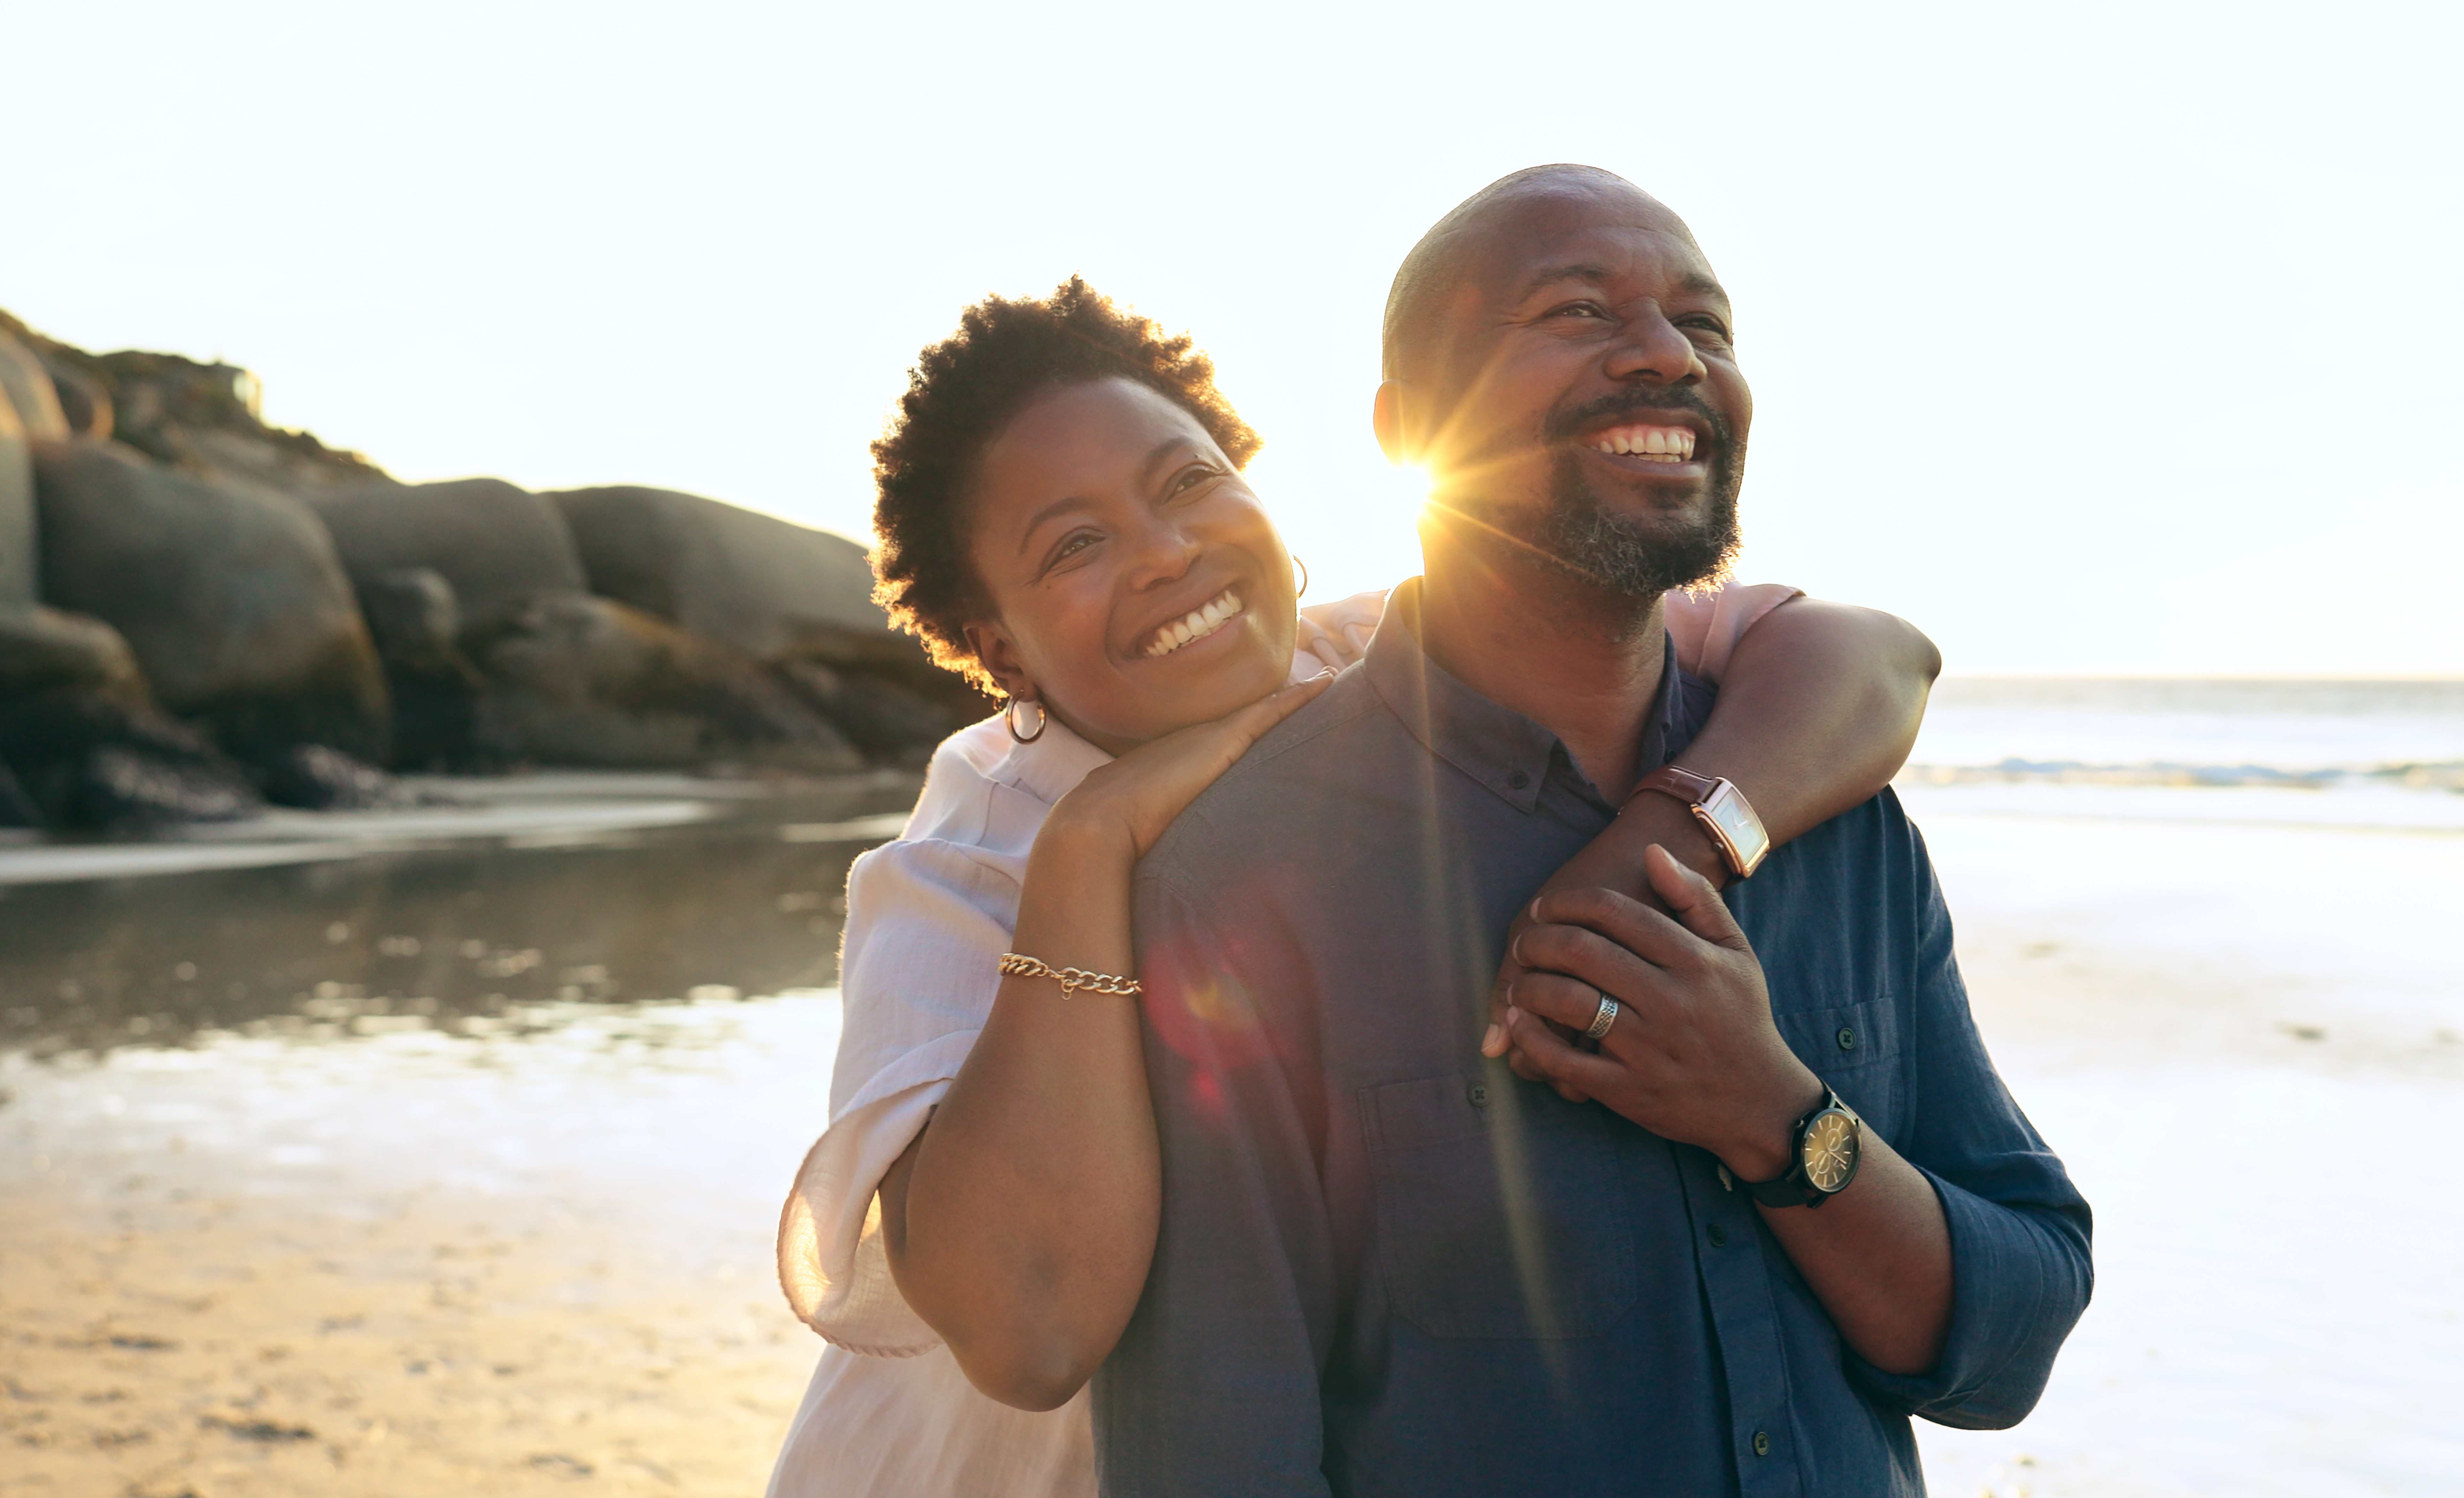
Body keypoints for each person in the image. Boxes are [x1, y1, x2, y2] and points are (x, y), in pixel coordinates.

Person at [764, 277, 1945, 1497]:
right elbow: (1032, 1332)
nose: (1166, 554)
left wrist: (1665, 840)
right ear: (999, 642)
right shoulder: (959, 873)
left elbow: (1870, 657)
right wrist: (1091, 845)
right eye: (1075, 543)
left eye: (1185, 482)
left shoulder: (1372, 656)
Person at [1093, 167, 2094, 1497]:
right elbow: (1215, 1456)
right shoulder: (1240, 882)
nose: (1667, 356)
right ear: (1411, 429)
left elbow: (2010, 1336)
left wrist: (1775, 1114)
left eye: (1706, 324)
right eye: (1576, 310)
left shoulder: (1837, 827)